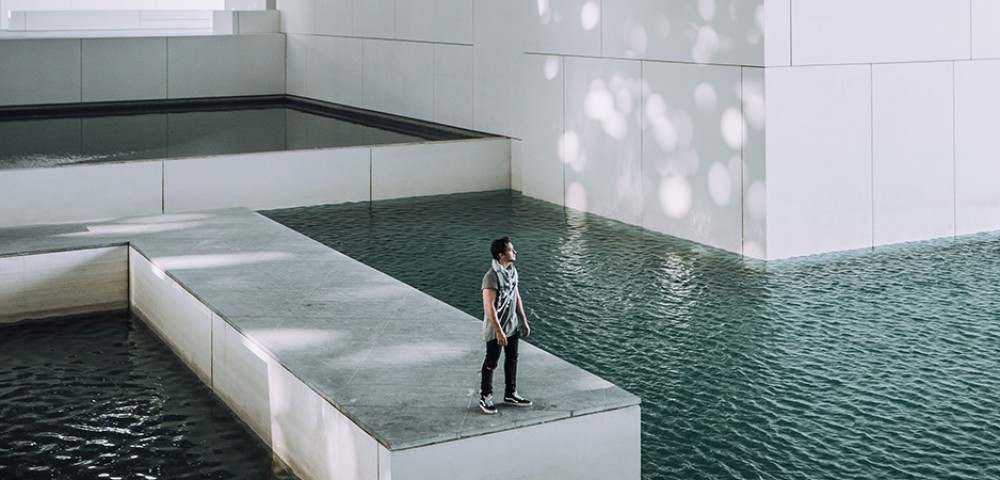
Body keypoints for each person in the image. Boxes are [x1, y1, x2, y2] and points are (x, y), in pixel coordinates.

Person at [479, 236, 533, 414]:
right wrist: (499, 332)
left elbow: (516, 296)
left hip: (512, 326)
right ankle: (485, 395)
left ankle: (511, 393)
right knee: (491, 362)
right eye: (511, 249)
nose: (515, 252)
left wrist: (523, 321)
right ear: (501, 254)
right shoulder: (491, 277)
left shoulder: (512, 271)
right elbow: (490, 308)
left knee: (512, 360)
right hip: (496, 329)